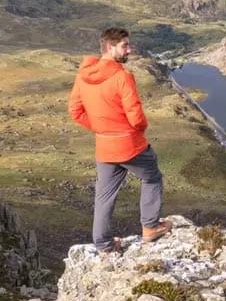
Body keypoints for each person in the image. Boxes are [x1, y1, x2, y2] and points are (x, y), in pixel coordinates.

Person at [68, 27, 172, 252]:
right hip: (129, 145)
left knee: (104, 196)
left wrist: (101, 128)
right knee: (152, 177)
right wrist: (139, 129)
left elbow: (75, 111)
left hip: (104, 146)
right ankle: (151, 227)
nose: (130, 49)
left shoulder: (83, 75)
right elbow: (135, 116)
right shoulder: (121, 76)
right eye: (125, 45)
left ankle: (104, 244)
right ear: (109, 47)